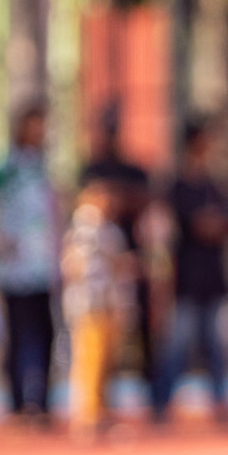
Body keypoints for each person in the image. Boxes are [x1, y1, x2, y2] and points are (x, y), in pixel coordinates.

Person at [153, 116, 228, 427]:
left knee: (217, 347)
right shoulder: (177, 185)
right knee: (178, 345)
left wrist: (214, 224)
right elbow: (187, 226)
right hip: (187, 278)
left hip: (213, 278)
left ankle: (220, 402)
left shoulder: (217, 185)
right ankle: (161, 402)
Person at [0, 100, 58, 426]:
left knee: (46, 333)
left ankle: (41, 402)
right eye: (35, 124)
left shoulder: (41, 168)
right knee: (18, 335)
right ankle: (18, 404)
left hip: (43, 267)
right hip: (14, 268)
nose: (41, 131)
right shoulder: (5, 169)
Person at [82, 105, 155, 404]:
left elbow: (145, 201)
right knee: (94, 338)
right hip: (97, 278)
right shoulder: (91, 170)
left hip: (129, 260)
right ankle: (93, 402)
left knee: (137, 329)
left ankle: (150, 390)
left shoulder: (133, 169)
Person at [61, 181, 136, 443]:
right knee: (89, 361)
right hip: (89, 304)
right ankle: (86, 417)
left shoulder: (109, 229)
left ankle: (99, 412)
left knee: (105, 361)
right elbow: (74, 265)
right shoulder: (85, 227)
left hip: (107, 302)